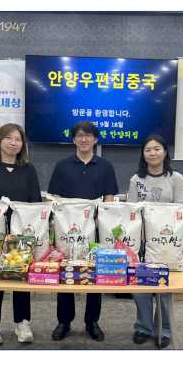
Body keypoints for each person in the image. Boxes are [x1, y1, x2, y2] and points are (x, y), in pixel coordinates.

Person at [47, 120, 119, 342]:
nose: (84, 139)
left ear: (95, 139)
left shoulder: (105, 166)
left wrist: (103, 221)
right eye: (79, 135)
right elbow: (54, 198)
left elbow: (109, 198)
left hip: (95, 229)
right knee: (65, 271)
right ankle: (64, 321)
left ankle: (92, 322)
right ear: (74, 139)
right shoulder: (62, 166)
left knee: (94, 274)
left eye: (88, 135)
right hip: (68, 230)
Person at [0, 123, 42, 345]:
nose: (13, 143)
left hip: (21, 233)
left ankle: (22, 322)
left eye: (18, 139)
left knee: (21, 278)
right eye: (9, 138)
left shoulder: (28, 170)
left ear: (23, 144)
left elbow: (35, 202)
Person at [127, 134, 183, 349]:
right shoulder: (136, 180)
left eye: (157, 148)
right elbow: (132, 212)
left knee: (164, 286)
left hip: (165, 241)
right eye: (148, 150)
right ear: (143, 154)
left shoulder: (176, 179)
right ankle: (143, 327)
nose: (152, 153)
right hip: (142, 241)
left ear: (165, 152)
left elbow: (181, 211)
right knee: (140, 286)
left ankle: (164, 329)